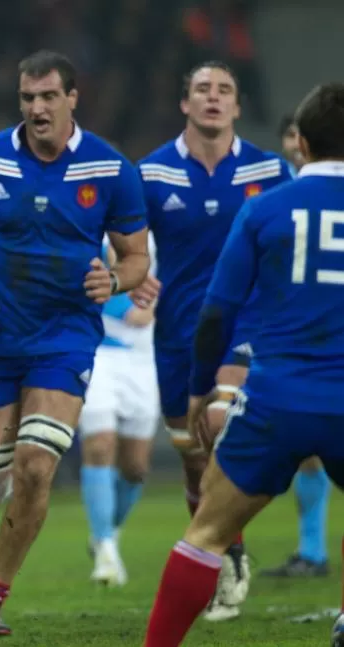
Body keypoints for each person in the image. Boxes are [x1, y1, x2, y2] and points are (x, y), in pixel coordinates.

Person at [0, 50, 151, 636]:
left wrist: (114, 279)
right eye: (27, 98)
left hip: (66, 338)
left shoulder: (110, 168)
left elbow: (136, 258)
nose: (37, 108)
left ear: (72, 99)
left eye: (48, 97)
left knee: (36, 467)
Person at [142, 81, 344, 647]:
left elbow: (216, 315)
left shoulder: (265, 209)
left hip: (278, 397)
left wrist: (201, 389)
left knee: (206, 531)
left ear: (299, 142)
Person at [134, 60, 294, 621]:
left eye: (224, 90)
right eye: (202, 88)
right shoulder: (152, 174)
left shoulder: (271, 170)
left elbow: (294, 239)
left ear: (236, 106)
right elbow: (123, 241)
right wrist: (127, 270)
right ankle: (229, 551)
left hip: (245, 328)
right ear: (185, 103)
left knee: (220, 426)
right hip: (178, 334)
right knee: (193, 459)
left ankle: (228, 553)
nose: (212, 98)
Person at [258, 113, 331, 580]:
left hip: (323, 335)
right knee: (310, 447)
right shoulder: (272, 192)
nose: (292, 144)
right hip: (297, 333)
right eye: (285, 134)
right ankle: (313, 549)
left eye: (297, 134)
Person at [78, 233, 159, 587]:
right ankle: (107, 550)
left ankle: (106, 532)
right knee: (99, 444)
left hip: (142, 360)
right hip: (97, 352)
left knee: (136, 467)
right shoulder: (89, 230)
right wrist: (126, 305)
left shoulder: (159, 237)